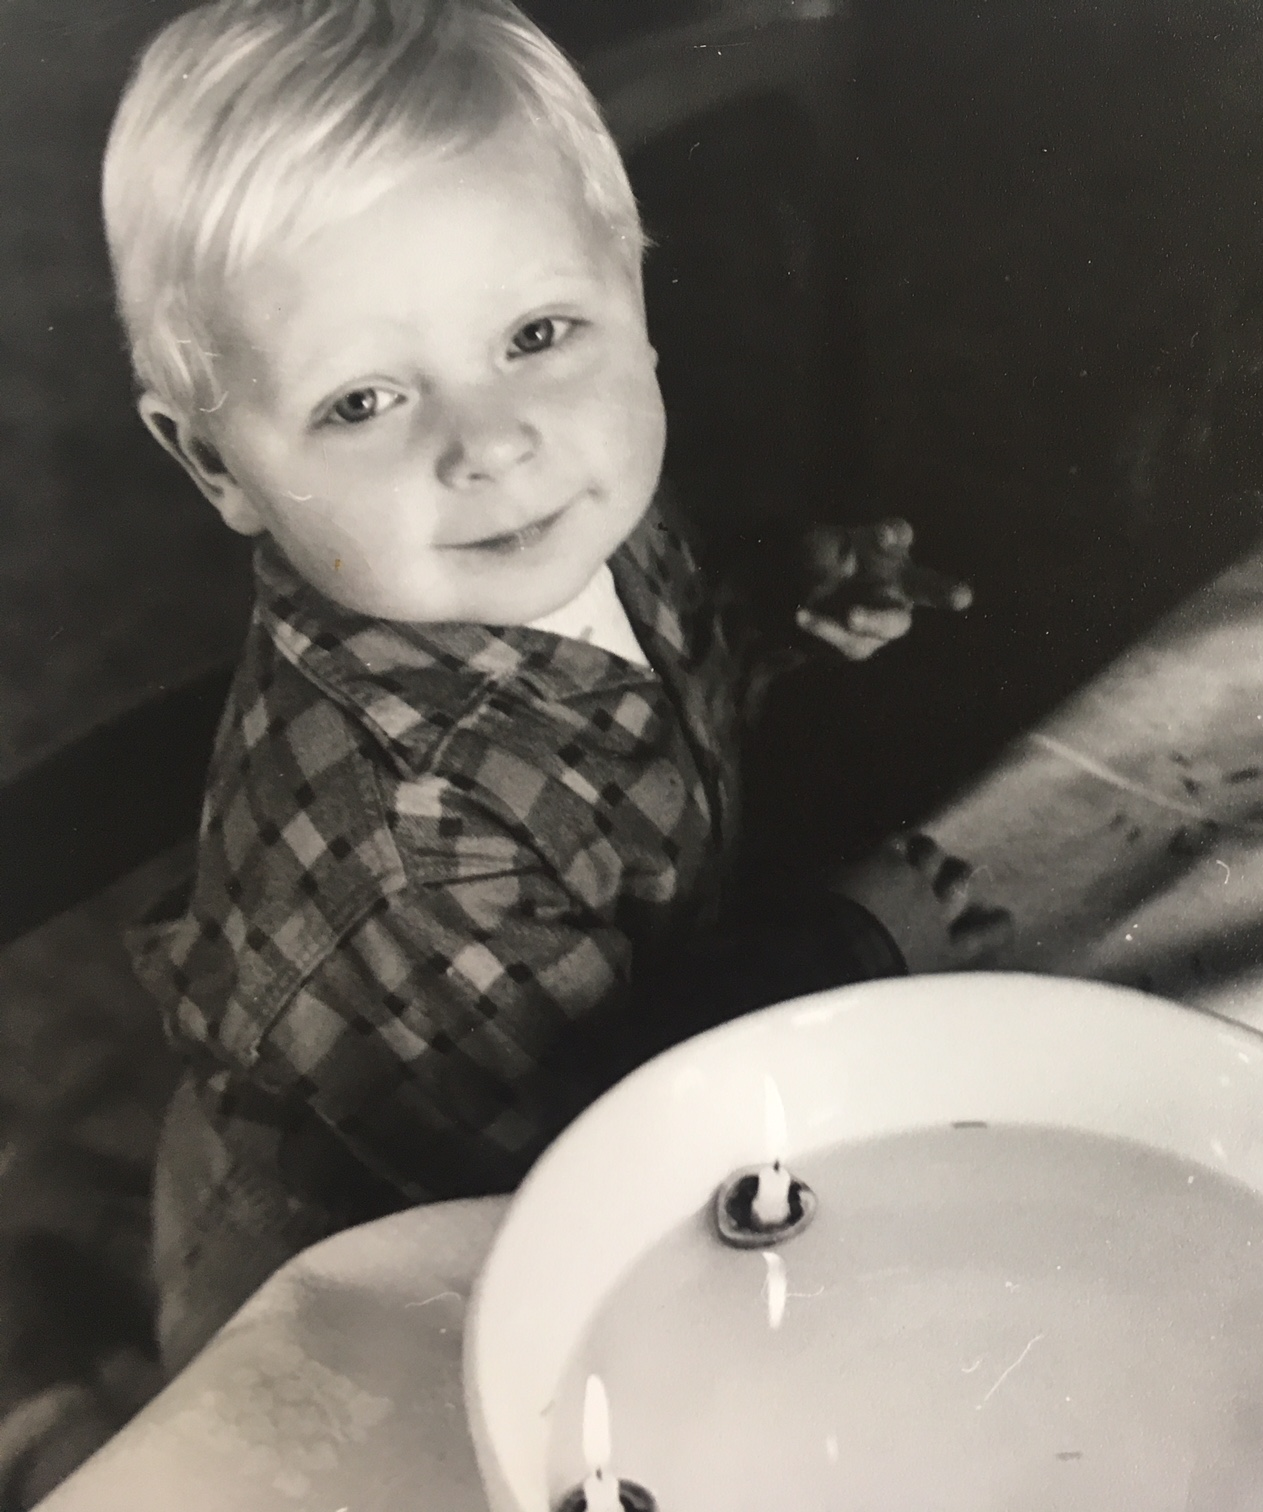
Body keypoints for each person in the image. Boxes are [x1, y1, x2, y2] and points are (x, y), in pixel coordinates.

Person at [98, 0, 1011, 1376]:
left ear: (633, 294)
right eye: (363, 401)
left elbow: (668, 637)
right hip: (364, 1244)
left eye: (535, 333)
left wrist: (780, 602)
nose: (494, 441)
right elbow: (588, 1148)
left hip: (584, 1034)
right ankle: (53, 1405)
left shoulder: (554, 523)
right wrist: (858, 946)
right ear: (215, 463)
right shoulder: (404, 843)